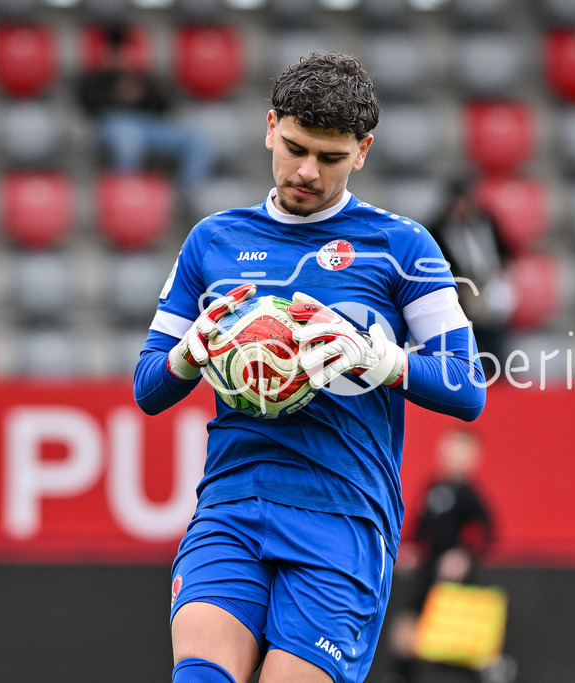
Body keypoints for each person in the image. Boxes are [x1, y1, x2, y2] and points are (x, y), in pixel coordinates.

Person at [133, 52, 486, 683]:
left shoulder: (404, 248)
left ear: (363, 151)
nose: (306, 171)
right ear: (270, 126)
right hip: (233, 504)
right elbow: (148, 386)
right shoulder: (211, 240)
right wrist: (188, 356)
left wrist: (383, 360)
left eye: (329, 158)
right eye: (295, 147)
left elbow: (468, 388)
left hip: (343, 521)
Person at [384, 427, 495, 683]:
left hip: (454, 582)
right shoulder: (433, 487)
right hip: (428, 571)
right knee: (405, 626)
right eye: (450, 449)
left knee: (458, 638)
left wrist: (463, 556)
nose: (454, 457)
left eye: (461, 452)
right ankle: (399, 675)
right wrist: (410, 550)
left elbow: (487, 531)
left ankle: (485, 670)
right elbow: (420, 527)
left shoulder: (470, 494)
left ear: (473, 458)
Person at [76, 22, 213, 209]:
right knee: (128, 138)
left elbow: (164, 105)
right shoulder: (95, 79)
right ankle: (128, 199)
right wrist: (118, 96)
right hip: (113, 123)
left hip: (149, 125)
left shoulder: (141, 77)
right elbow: (89, 105)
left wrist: (139, 95)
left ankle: (188, 194)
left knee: (196, 140)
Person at [427, 179, 515, 373]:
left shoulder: (486, 220)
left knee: (495, 337)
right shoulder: (437, 228)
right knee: (468, 339)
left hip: (490, 286)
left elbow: (505, 250)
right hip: (460, 290)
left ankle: (499, 376)